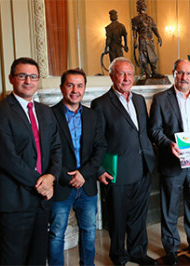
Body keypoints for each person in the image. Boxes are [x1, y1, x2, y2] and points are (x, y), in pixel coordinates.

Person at [0, 57, 62, 265]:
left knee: (38, 258)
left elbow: (56, 149)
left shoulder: (46, 112)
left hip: (42, 201)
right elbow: (7, 159)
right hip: (14, 200)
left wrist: (51, 177)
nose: (28, 81)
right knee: (12, 259)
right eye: (22, 76)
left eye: (33, 76)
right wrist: (42, 183)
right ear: (12, 79)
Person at [91, 57, 157, 265]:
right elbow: (95, 141)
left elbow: (143, 133)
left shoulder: (138, 99)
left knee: (139, 216)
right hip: (117, 172)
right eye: (121, 74)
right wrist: (99, 169)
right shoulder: (100, 104)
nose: (126, 78)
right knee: (118, 219)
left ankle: (138, 252)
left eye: (130, 74)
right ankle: (119, 256)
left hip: (143, 167)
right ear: (112, 76)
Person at [149, 59, 190, 264]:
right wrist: (168, 144)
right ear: (173, 73)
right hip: (172, 162)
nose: (184, 77)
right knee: (169, 207)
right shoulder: (160, 99)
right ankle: (171, 248)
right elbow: (154, 130)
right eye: (180, 73)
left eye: (188, 73)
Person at [48, 69, 107, 266]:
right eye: (70, 85)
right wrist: (66, 177)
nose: (75, 90)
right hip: (61, 185)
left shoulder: (93, 115)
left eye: (79, 85)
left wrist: (84, 173)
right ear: (61, 87)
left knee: (89, 232)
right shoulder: (49, 115)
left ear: (84, 89)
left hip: (88, 185)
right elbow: (47, 152)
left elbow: (100, 148)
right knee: (56, 234)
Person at [131, 0, 163, 78]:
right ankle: (147, 73)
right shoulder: (135, 19)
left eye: (144, 4)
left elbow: (154, 28)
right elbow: (134, 32)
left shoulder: (149, 18)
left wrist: (159, 37)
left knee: (153, 56)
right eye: (142, 4)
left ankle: (154, 72)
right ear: (138, 7)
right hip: (142, 39)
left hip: (150, 39)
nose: (144, 5)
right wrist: (134, 42)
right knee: (144, 57)